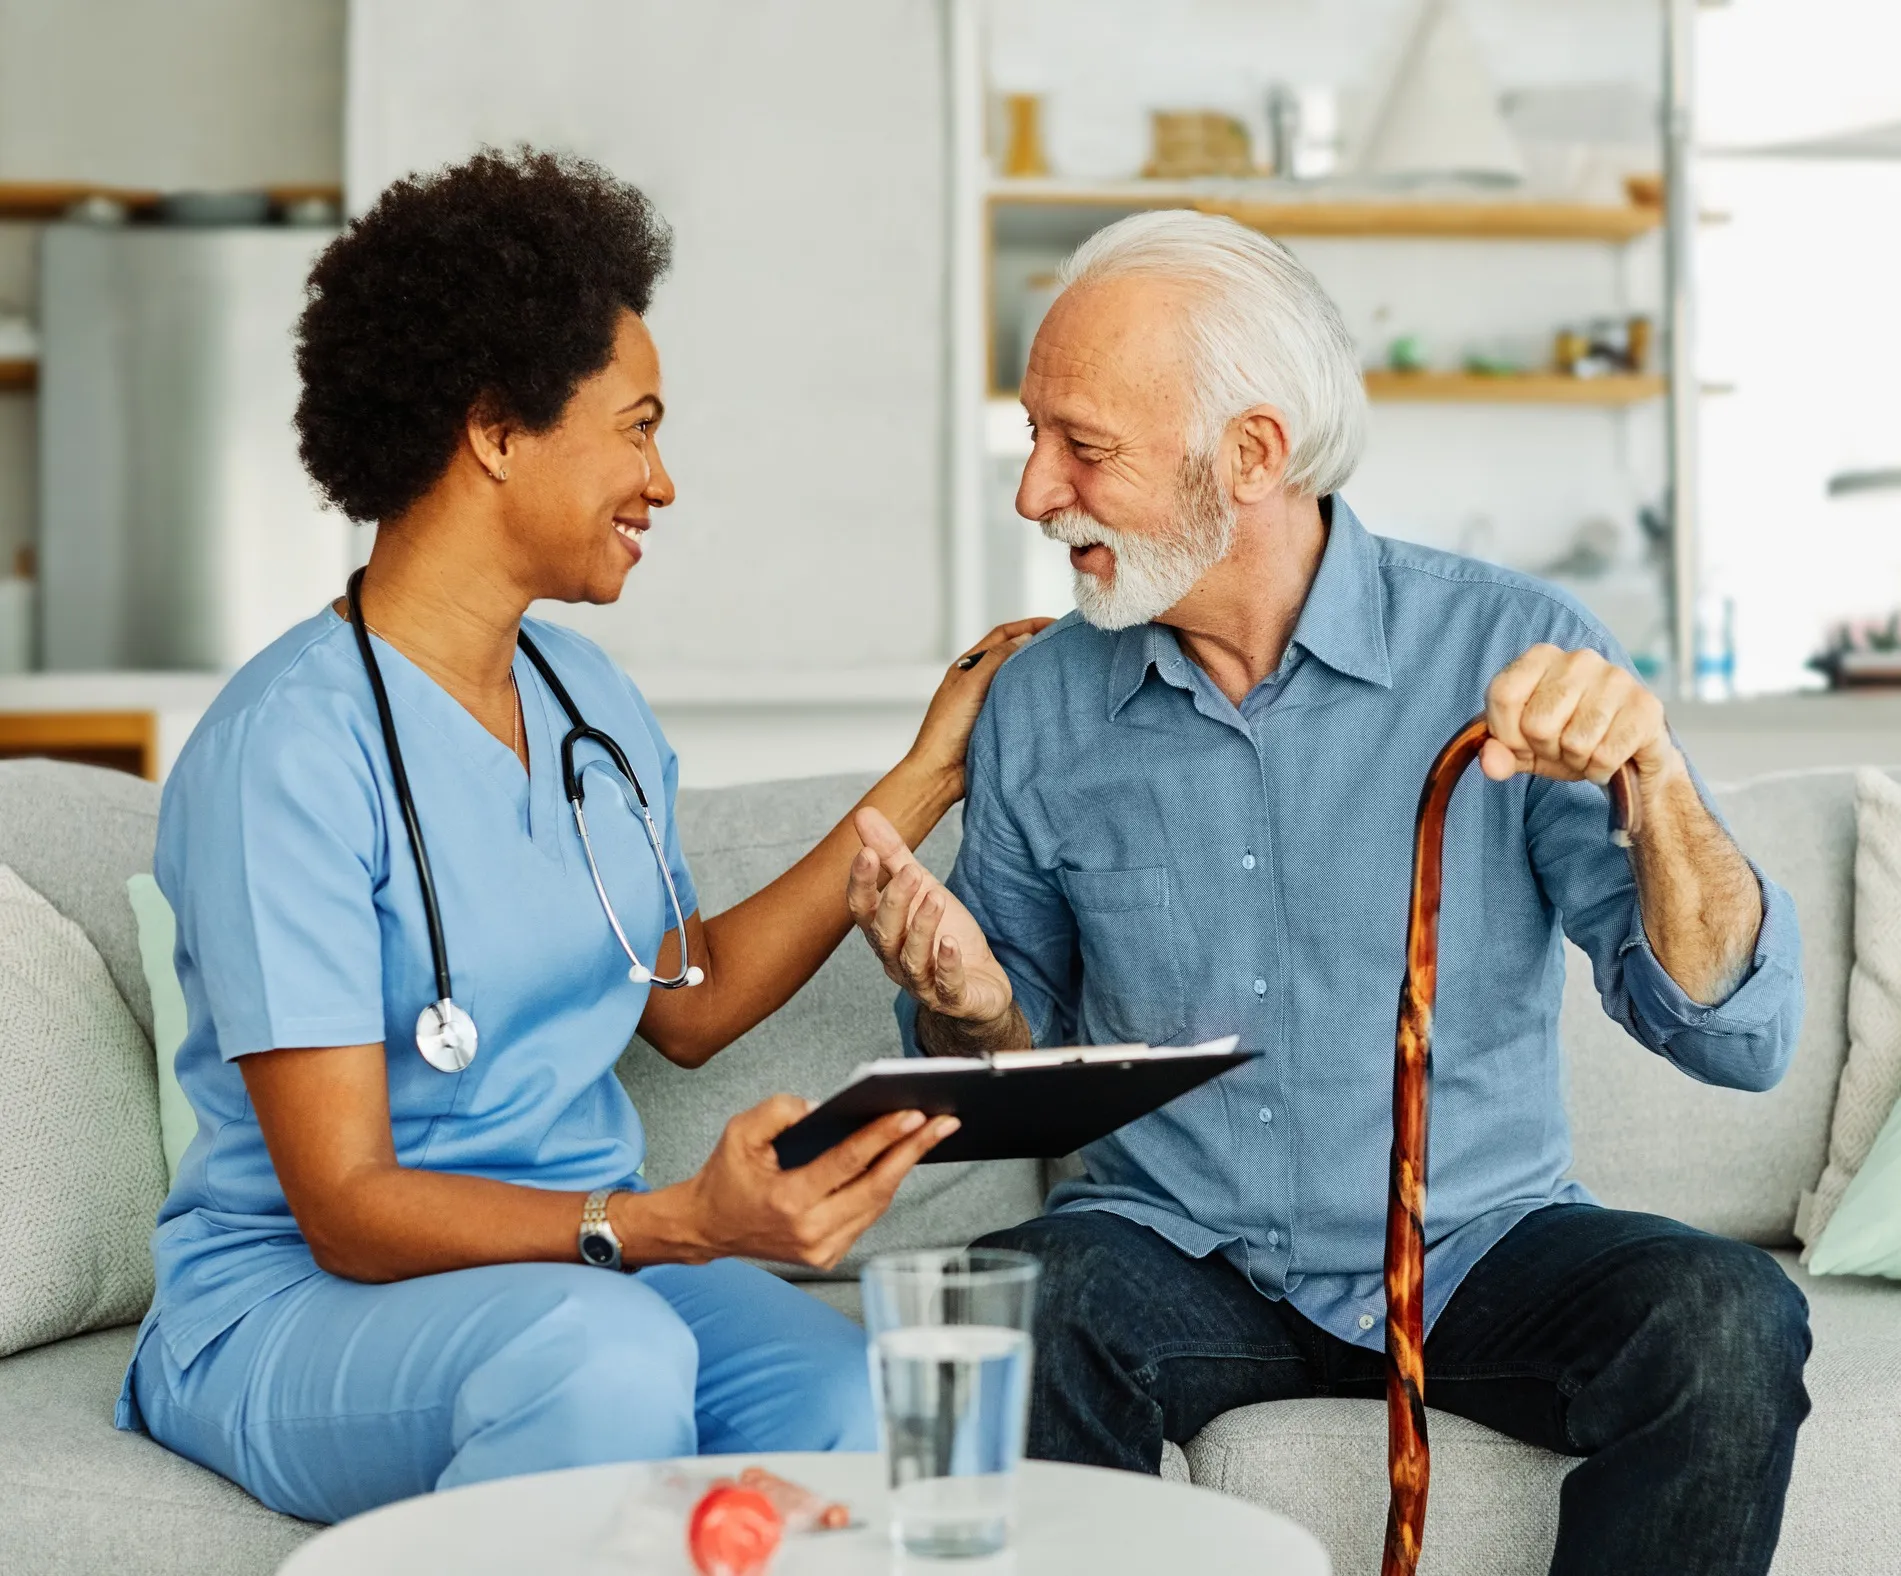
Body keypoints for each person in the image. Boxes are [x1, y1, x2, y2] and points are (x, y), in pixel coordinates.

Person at [849, 211, 1810, 1576]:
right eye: (1034, 438)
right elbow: (1004, 1080)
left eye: (1085, 447)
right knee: (1026, 1301)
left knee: (1723, 1319)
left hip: (1476, 1246)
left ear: (1251, 453)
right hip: (1173, 1251)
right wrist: (973, 1006)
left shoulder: (1509, 648)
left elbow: (1736, 1036)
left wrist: (1654, 781)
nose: (1034, 495)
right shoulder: (1039, 705)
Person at [114, 148, 1044, 1525]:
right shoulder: (288, 752)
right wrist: (675, 1222)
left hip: (577, 1279)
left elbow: (690, 1002)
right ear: (495, 428)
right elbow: (350, 1205)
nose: (661, 483)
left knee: (847, 1398)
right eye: (638, 427)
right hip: (300, 1299)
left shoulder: (587, 703)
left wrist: (927, 774)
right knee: (608, 1367)